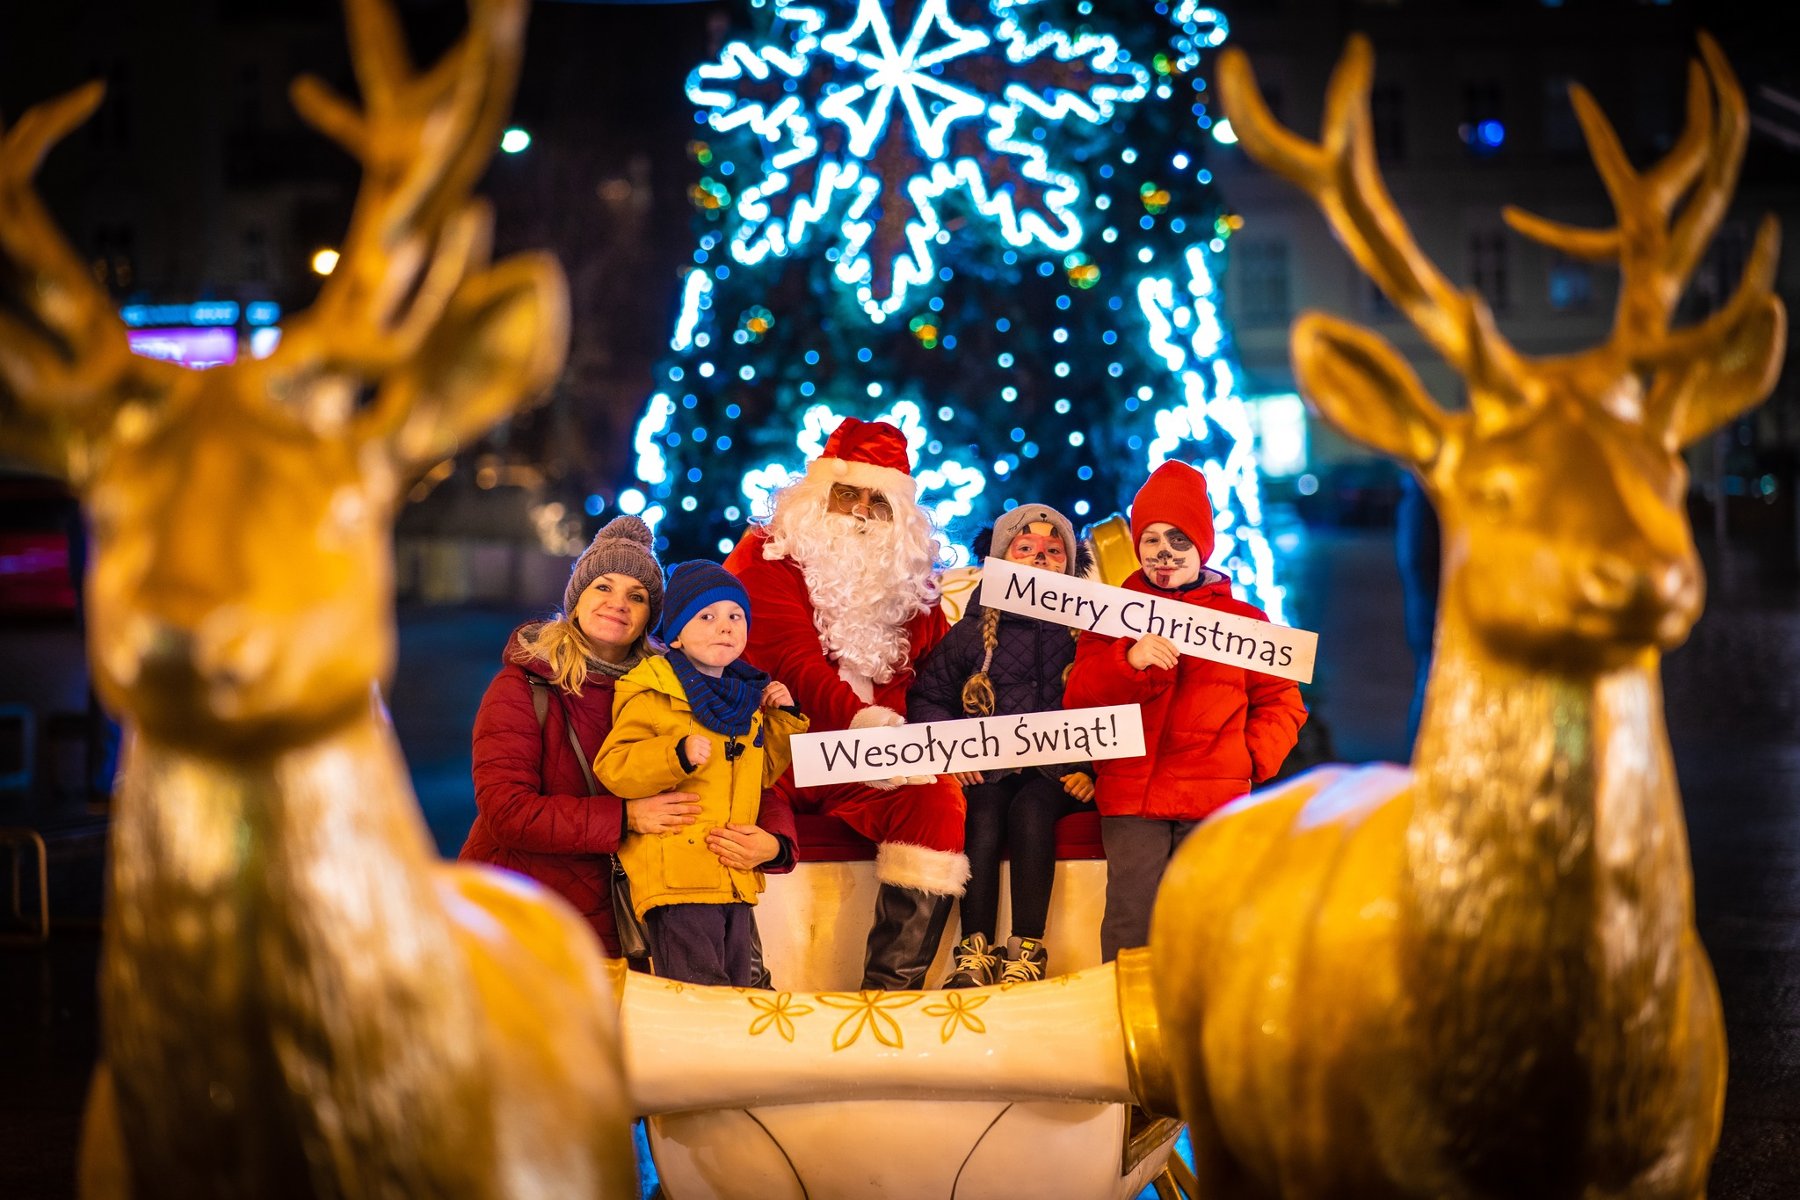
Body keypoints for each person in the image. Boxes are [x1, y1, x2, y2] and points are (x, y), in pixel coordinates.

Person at [724, 416, 968, 990]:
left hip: (872, 765)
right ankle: (746, 988)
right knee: (721, 794)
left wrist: (945, 744)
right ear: (817, 497)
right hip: (780, 752)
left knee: (939, 802)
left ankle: (889, 994)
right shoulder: (767, 553)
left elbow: (941, 678)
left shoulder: (913, 583)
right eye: (847, 494)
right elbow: (788, 658)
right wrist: (866, 723)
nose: (860, 512)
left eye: (877, 502)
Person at [1064, 459, 1308, 962]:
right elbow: (1080, 697)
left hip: (1213, 799)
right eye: (1151, 539)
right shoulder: (1112, 616)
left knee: (1204, 921)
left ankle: (1199, 1029)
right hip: (1134, 798)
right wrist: (1126, 660)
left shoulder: (1245, 621)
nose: (1164, 553)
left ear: (1201, 546)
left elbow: (1282, 703)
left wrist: (1248, 757)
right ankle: (1128, 1028)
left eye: (1178, 539)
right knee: (1132, 923)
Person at [459, 516, 703, 957]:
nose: (619, 604)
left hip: (620, 919)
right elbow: (507, 812)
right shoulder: (523, 687)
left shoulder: (669, 692)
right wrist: (626, 817)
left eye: (638, 596)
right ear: (576, 599)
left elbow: (727, 771)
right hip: (520, 918)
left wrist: (777, 843)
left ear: (651, 616)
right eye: (603, 587)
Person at [594, 561, 807, 986]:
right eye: (706, 616)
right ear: (675, 634)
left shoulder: (745, 698)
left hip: (732, 878)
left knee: (737, 993)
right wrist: (674, 755)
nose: (724, 627)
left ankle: (730, 1056)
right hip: (679, 880)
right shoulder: (653, 692)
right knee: (697, 994)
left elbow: (759, 776)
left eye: (735, 616)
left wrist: (782, 720)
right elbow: (614, 767)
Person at [908, 503, 1095, 987]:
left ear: (1070, 566)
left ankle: (1027, 948)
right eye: (1026, 549)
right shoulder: (972, 632)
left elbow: (1110, 707)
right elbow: (930, 697)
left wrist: (1090, 770)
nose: (1039, 559)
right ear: (1000, 560)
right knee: (982, 815)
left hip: (1055, 773)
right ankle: (974, 950)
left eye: (1053, 552)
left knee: (1031, 814)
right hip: (989, 770)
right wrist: (952, 752)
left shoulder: (1086, 635)